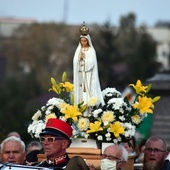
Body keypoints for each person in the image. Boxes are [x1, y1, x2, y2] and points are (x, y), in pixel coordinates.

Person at [73, 22, 104, 116]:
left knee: (88, 95)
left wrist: (84, 59)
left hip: (89, 76)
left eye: (85, 41)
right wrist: (79, 59)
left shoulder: (91, 51)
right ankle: (81, 111)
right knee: (81, 95)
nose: (83, 42)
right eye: (81, 41)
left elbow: (92, 63)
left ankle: (89, 112)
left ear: (88, 41)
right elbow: (75, 62)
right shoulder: (78, 50)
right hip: (80, 76)